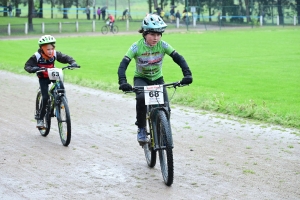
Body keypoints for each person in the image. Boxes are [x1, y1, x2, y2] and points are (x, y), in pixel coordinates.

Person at [117, 14, 193, 144]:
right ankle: (141, 128)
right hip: (142, 78)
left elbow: (178, 58)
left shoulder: (163, 45)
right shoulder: (136, 47)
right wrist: (123, 82)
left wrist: (187, 74)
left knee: (165, 106)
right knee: (141, 99)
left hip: (157, 79)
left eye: (158, 34)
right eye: (152, 34)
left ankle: (164, 129)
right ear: (145, 33)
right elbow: (123, 65)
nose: (156, 38)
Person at [24, 35, 78, 128]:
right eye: (48, 49)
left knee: (61, 88)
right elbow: (27, 66)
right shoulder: (36, 56)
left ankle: (61, 102)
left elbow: (65, 57)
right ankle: (40, 119)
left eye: (52, 49)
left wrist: (72, 62)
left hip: (52, 74)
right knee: (45, 98)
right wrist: (34, 69)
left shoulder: (55, 54)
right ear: (42, 49)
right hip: (43, 77)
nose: (50, 51)